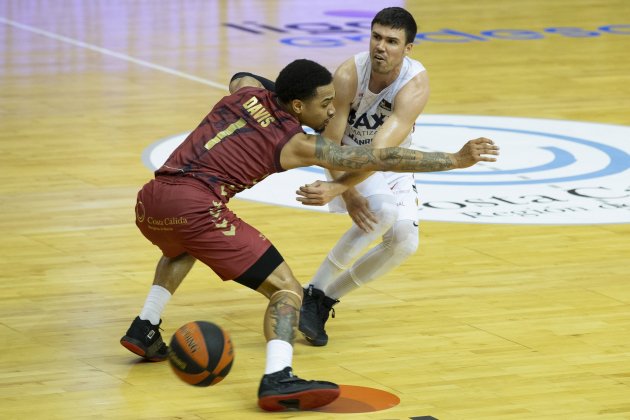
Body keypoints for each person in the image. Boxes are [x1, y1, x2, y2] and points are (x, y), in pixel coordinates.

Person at [119, 59, 498, 411]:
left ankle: (145, 326)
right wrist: (455, 159)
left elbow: (242, 76)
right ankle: (278, 377)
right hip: (196, 207)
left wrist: (280, 92)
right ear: (297, 106)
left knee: (184, 244)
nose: (334, 111)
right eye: (326, 103)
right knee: (287, 290)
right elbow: (380, 158)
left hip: (152, 201)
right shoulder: (296, 144)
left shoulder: (246, 92)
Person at [295, 7, 435, 346]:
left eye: (391, 41)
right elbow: (330, 144)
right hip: (346, 155)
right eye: (376, 37)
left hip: (388, 160)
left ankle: (323, 300)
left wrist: (339, 189)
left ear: (408, 48)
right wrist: (347, 191)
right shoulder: (348, 75)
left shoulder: (414, 85)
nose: (380, 47)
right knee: (384, 212)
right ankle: (312, 293)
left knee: (404, 242)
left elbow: (381, 154)